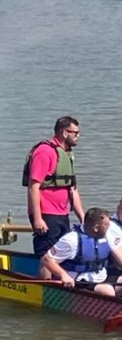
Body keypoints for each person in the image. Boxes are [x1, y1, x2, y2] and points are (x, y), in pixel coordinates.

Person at [23, 116, 85, 275]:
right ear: (64, 132)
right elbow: (33, 186)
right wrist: (37, 218)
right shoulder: (45, 152)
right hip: (46, 214)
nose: (78, 136)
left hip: (62, 213)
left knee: (61, 254)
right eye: (75, 133)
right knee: (47, 256)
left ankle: (60, 284)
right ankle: (45, 291)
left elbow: (72, 189)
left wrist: (83, 219)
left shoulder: (67, 154)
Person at [40, 207, 122, 297]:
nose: (110, 228)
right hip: (79, 280)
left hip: (101, 276)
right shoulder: (72, 240)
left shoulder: (108, 235)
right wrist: (63, 275)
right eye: (106, 226)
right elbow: (47, 260)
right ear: (96, 228)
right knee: (107, 290)